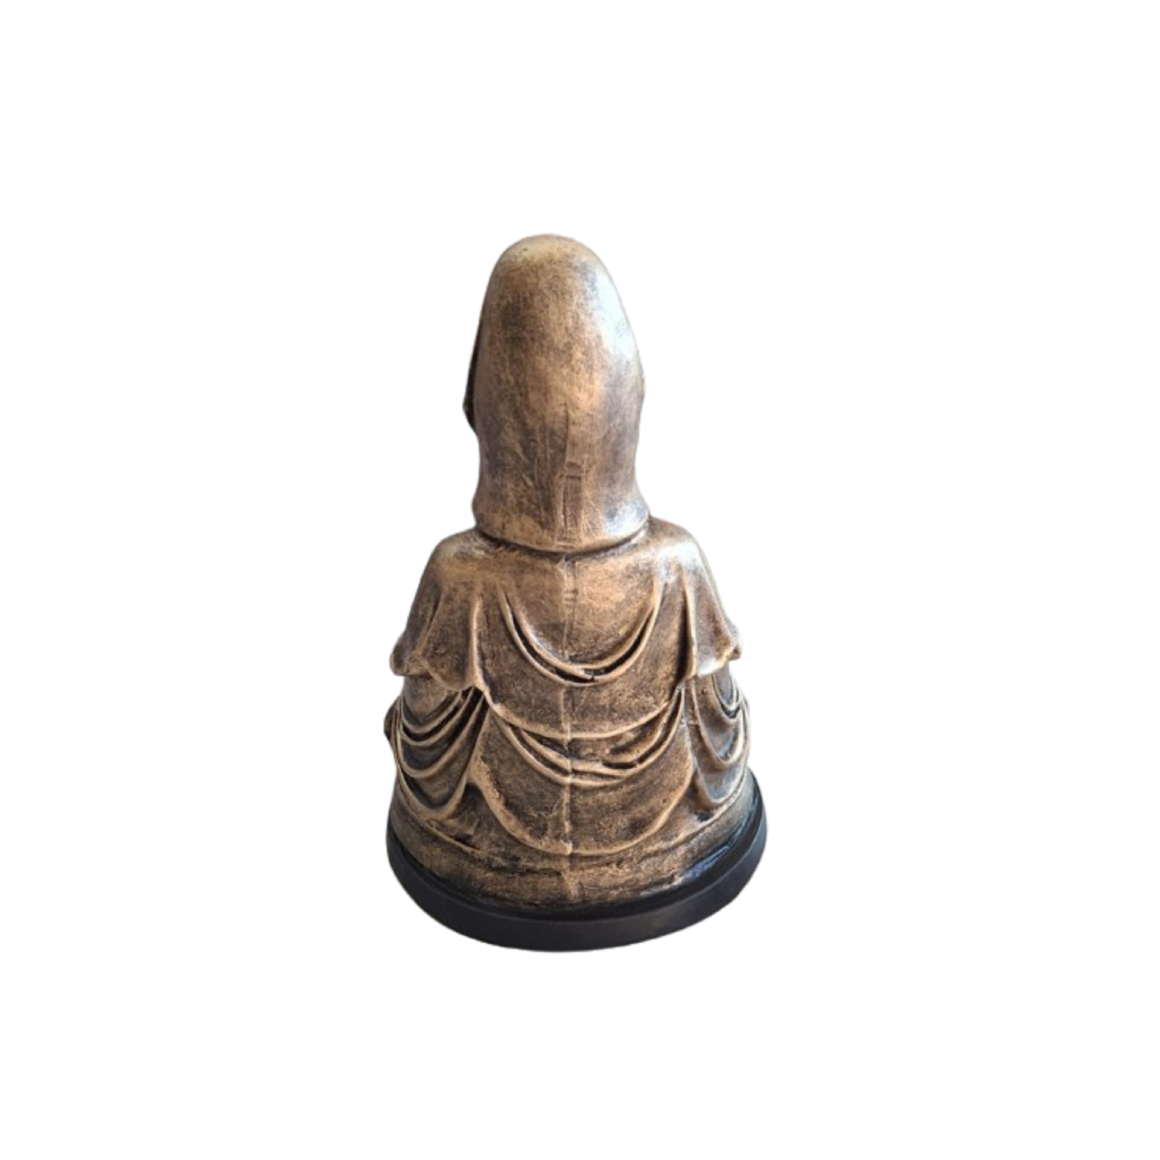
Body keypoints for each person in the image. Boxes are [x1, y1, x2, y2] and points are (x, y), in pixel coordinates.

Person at [385, 236, 762, 935]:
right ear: (628, 394)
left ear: (485, 401)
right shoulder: (678, 568)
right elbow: (719, 732)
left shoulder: (459, 578)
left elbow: (424, 734)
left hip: (484, 877)